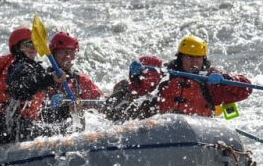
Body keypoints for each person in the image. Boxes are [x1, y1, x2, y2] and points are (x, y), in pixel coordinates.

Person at [106, 35, 252, 121]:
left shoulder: (212, 80)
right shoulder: (165, 74)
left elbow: (246, 89)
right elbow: (140, 89)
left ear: (203, 59)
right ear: (180, 58)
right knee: (123, 90)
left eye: (198, 58)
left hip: (198, 131)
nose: (193, 62)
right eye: (189, 57)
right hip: (161, 125)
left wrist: (226, 78)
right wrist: (136, 76)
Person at [0, 27, 64, 144]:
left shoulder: (32, 67)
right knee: (59, 131)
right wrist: (50, 78)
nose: (33, 48)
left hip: (21, 124)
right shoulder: (19, 66)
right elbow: (21, 89)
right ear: (18, 47)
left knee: (61, 123)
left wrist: (64, 109)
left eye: (35, 44)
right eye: (28, 44)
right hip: (9, 128)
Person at [44, 31, 103, 125]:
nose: (68, 56)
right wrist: (67, 110)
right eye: (63, 52)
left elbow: (101, 104)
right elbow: (38, 117)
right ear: (53, 53)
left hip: (76, 132)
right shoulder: (43, 80)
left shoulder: (80, 80)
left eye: (71, 52)